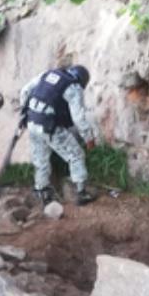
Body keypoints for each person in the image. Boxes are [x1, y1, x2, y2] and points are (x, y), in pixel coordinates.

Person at [19, 65, 96, 206]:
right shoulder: (74, 88)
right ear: (82, 81)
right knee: (76, 155)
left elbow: (25, 91)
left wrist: (25, 112)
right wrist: (88, 138)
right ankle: (81, 193)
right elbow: (79, 118)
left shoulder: (47, 74)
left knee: (40, 158)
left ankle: (41, 191)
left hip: (31, 121)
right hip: (49, 126)